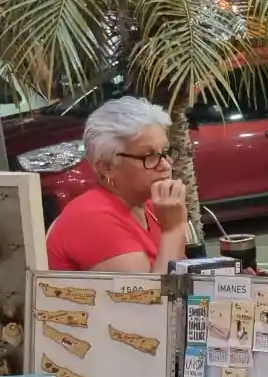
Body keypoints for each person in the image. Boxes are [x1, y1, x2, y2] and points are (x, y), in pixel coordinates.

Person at [47, 97, 188, 272]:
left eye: (165, 152)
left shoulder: (151, 206)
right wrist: (174, 230)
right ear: (106, 166)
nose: (166, 165)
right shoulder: (93, 218)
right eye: (148, 156)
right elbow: (149, 297)